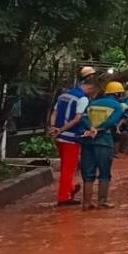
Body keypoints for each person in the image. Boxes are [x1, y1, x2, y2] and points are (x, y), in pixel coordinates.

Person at [47, 66, 98, 207]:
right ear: (91, 87)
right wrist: (61, 130)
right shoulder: (82, 99)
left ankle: (70, 188)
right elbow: (77, 119)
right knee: (69, 168)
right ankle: (64, 197)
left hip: (60, 137)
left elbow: (54, 112)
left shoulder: (64, 95)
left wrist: (54, 128)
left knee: (67, 166)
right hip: (71, 138)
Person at [77, 81, 127, 210]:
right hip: (103, 141)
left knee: (88, 173)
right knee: (104, 172)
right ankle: (102, 201)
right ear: (118, 93)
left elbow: (83, 118)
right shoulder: (118, 106)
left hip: (88, 140)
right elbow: (112, 122)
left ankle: (86, 203)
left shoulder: (92, 103)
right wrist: (99, 129)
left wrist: (91, 128)